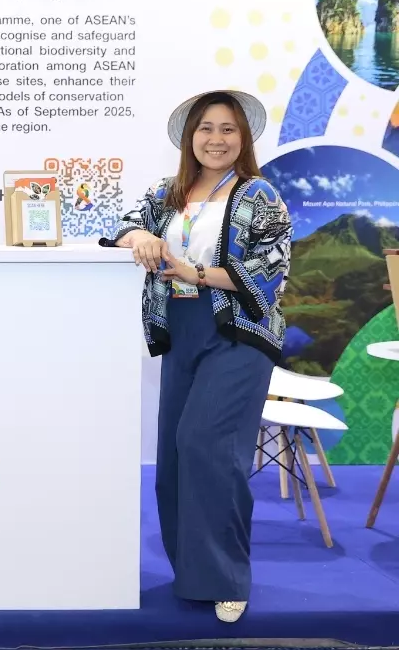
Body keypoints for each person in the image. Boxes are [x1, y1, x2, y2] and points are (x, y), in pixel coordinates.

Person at [109, 89, 291, 624]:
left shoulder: (260, 194)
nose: (216, 139)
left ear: (243, 138)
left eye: (228, 129)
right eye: (206, 128)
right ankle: (192, 573)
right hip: (181, 332)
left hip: (239, 333)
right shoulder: (166, 192)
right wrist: (139, 235)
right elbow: (121, 225)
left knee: (207, 446)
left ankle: (228, 578)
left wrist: (198, 273)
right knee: (174, 456)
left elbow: (272, 270)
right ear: (190, 137)